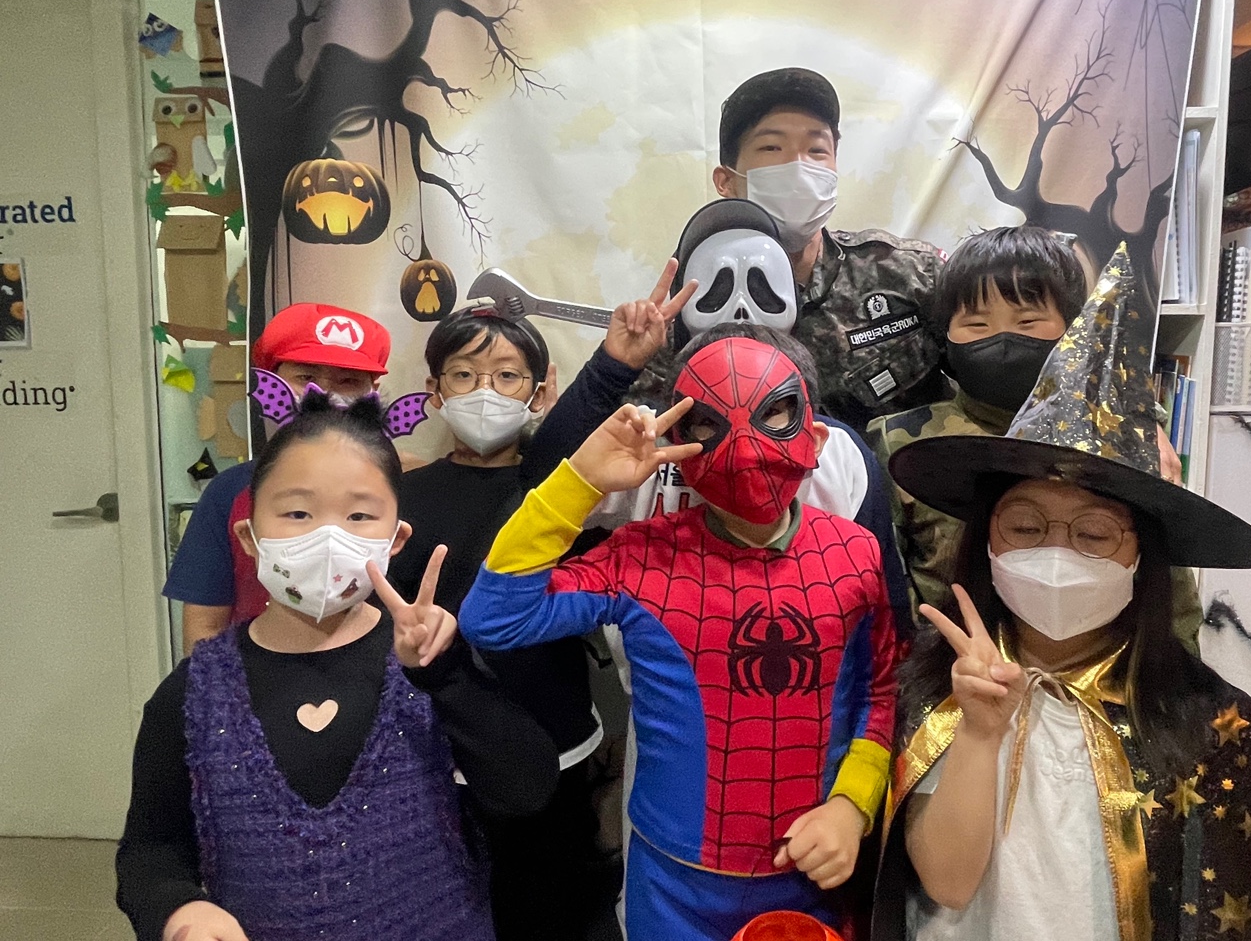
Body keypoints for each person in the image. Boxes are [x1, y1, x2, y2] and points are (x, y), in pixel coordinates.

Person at [871, 246, 1251, 941]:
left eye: (1094, 534)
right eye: (1026, 527)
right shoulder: (936, 691)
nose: (1056, 553)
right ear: (986, 544)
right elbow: (945, 882)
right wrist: (977, 731)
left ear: (1141, 557)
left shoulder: (1215, 734)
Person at [460, 335, 899, 939]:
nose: (745, 448)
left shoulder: (855, 553)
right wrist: (580, 482)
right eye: (710, 424)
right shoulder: (643, 555)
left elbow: (880, 693)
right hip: (671, 884)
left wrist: (853, 805)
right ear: (680, 449)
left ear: (816, 439)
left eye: (774, 413)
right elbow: (493, 617)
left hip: (811, 875)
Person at [116, 390, 560, 941]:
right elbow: (150, 851)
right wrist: (180, 911)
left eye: (359, 515)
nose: (328, 536)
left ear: (395, 539)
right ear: (249, 538)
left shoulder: (432, 663)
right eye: (297, 512)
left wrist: (444, 675)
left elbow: (526, 790)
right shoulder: (194, 692)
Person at [388, 261, 694, 941]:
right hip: (440, 744)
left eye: (506, 376)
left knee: (555, 903)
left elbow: (567, 450)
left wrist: (616, 362)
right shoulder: (401, 495)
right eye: (463, 376)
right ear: (434, 392)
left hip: (554, 736)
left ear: (539, 390)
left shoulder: (554, 486)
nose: (484, 391)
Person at [607, 199, 913, 637]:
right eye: (715, 289)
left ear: (814, 439)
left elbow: (883, 611)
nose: (741, 308)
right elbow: (538, 484)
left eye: (763, 287)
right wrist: (611, 367)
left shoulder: (840, 454)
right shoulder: (642, 441)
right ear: (678, 436)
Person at [871, 225, 1193, 631]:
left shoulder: (1116, 437)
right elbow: (886, 588)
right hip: (953, 659)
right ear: (945, 335)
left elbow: (1170, 587)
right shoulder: (900, 443)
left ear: (1072, 329)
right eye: (977, 325)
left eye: (1027, 322)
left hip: (1098, 661)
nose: (1002, 339)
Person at [713, 67, 947, 432]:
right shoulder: (701, 304)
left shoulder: (909, 273)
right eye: (772, 147)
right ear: (726, 181)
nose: (799, 166)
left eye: (816, 149)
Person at [163, 302, 399, 654]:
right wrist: (220, 685)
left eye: (348, 381)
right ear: (269, 382)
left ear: (373, 392)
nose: (324, 395)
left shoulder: (401, 490)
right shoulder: (230, 493)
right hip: (252, 676)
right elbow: (204, 626)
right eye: (305, 378)